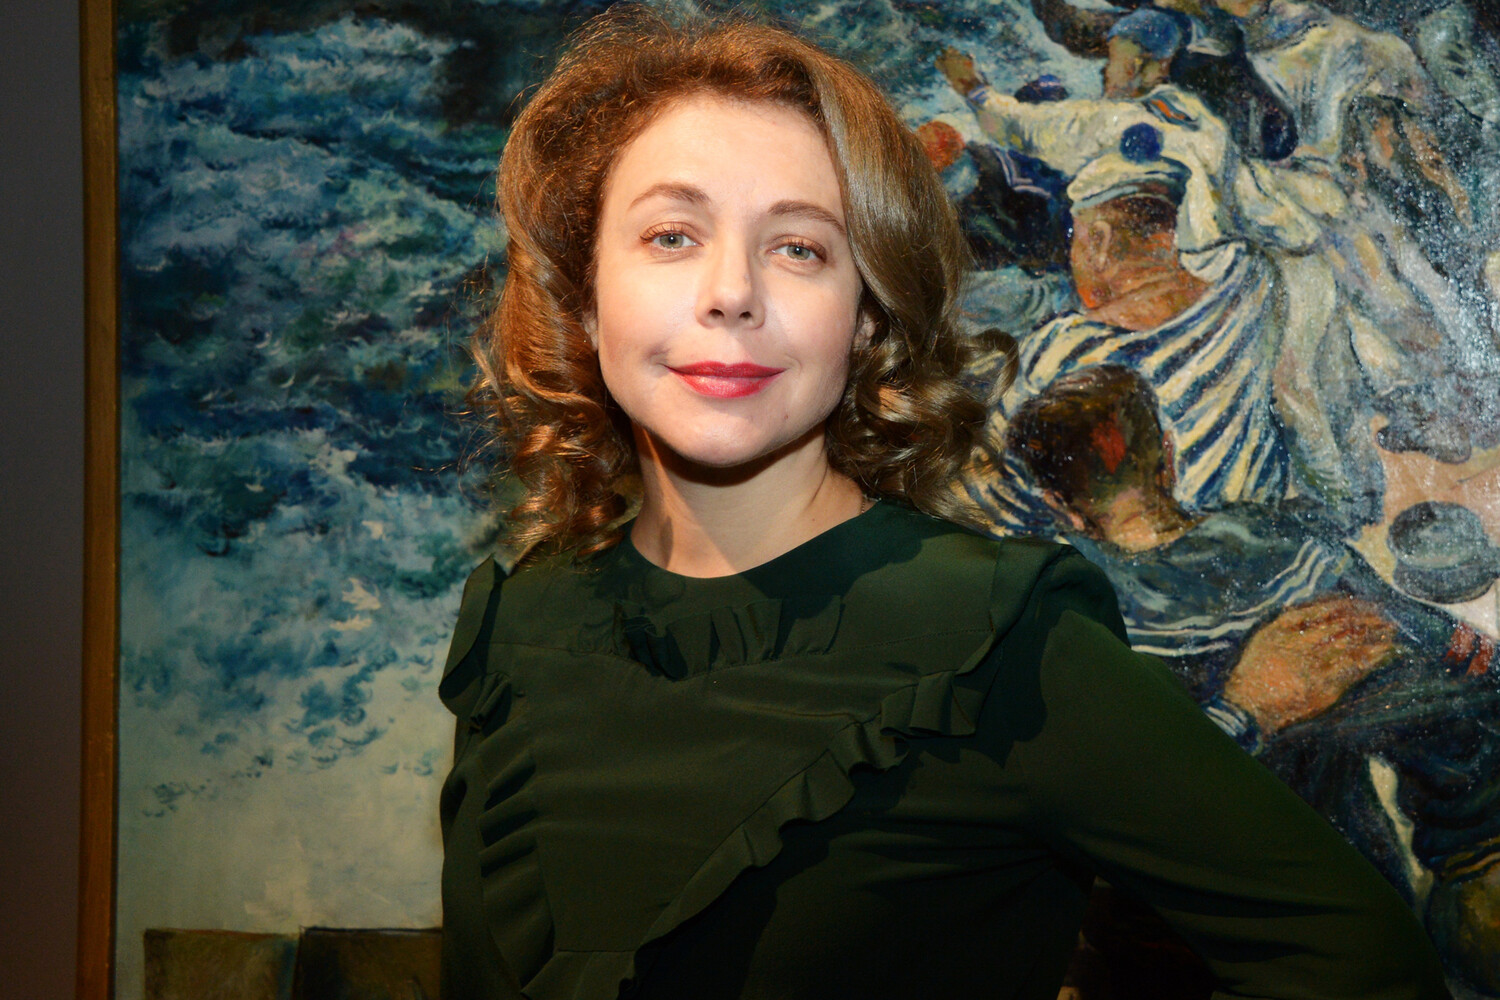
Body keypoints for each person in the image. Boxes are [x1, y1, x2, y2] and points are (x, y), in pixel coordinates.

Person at [439, 8, 1450, 1000]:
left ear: (865, 315)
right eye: (671, 234)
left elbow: (1356, 957)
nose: (731, 290)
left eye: (800, 248)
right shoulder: (520, 623)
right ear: (585, 295)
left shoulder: (997, 637)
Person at [1005, 363, 1500, 991]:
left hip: (1191, 945)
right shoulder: (1282, 540)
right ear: (1169, 457)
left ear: (1060, 505)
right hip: (1361, 909)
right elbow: (1431, 657)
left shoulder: (1065, 612)